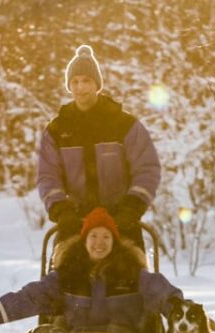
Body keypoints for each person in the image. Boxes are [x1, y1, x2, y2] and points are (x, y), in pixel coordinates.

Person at [0, 207, 181, 333]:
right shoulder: (67, 275)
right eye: (93, 236)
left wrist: (181, 311)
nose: (99, 243)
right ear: (84, 241)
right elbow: (29, 298)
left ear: (115, 241)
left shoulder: (132, 272)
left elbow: (163, 293)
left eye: (106, 237)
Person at [38, 44, 161, 248]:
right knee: (66, 276)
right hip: (74, 222)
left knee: (129, 276)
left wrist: (132, 207)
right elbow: (47, 175)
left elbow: (147, 168)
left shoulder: (123, 124)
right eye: (75, 82)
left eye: (86, 81)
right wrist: (61, 210)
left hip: (121, 220)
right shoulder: (57, 130)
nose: (80, 87)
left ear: (97, 84)